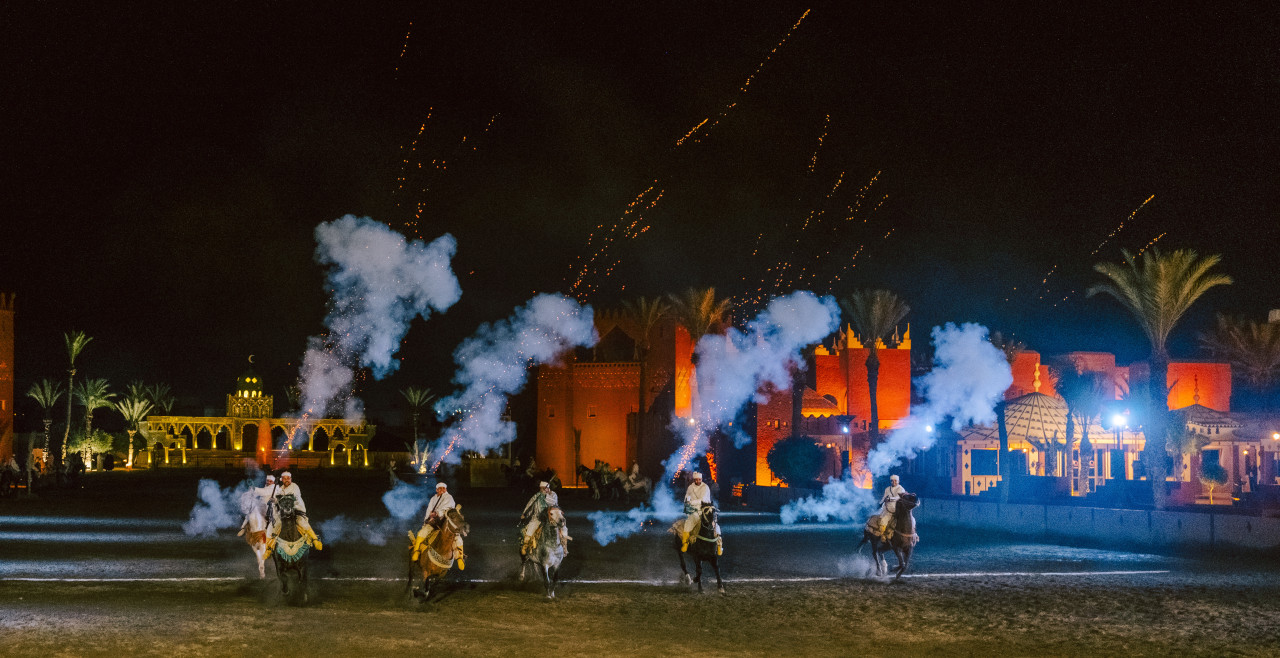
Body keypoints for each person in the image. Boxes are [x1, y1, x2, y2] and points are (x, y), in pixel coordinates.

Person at [411, 482, 465, 569]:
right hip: (434, 521)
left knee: (457, 538)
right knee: (422, 532)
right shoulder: (433, 499)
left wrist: (437, 513)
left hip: (446, 521)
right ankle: (416, 551)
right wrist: (426, 521)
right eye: (440, 488)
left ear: (446, 489)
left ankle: (460, 558)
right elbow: (429, 510)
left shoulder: (449, 497)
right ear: (437, 490)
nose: (442, 490)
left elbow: (447, 508)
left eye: (444, 488)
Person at [271, 471, 323, 550]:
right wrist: (273, 500)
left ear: (291, 479)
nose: (287, 480)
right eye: (284, 478)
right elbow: (277, 500)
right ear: (282, 480)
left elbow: (290, 496)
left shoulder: (294, 486)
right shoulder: (280, 489)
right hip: (283, 512)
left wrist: (278, 497)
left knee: (301, 522)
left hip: (296, 510)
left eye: (288, 478)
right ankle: (269, 545)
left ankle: (315, 539)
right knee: (275, 524)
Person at [520, 481, 571, 555]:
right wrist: (525, 514)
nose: (543, 490)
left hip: (552, 516)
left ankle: (564, 546)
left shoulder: (553, 494)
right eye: (542, 488)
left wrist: (547, 495)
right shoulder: (536, 496)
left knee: (563, 526)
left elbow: (554, 503)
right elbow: (530, 505)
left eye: (544, 488)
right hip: (538, 517)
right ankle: (525, 546)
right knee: (531, 528)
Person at [680, 472, 722, 555]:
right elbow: (686, 497)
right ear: (694, 480)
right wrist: (687, 502)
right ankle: (685, 543)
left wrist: (691, 502)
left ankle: (719, 545)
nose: (698, 481)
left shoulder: (705, 487)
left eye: (699, 479)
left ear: (701, 479)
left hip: (705, 507)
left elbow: (702, 499)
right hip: (694, 510)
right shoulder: (690, 487)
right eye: (696, 479)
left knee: (714, 523)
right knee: (688, 522)